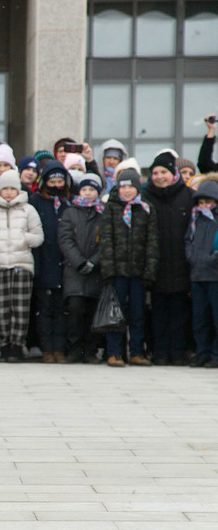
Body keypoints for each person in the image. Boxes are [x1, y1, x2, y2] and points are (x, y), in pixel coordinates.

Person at [0, 169, 44, 363]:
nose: (9, 193)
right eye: (5, 189)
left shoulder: (28, 209)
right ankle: (3, 344)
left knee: (20, 307)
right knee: (0, 308)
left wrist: (23, 239)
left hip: (22, 263)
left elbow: (38, 236)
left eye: (12, 189)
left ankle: (17, 345)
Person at [100, 168, 158, 367]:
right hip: (117, 271)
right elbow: (106, 240)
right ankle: (114, 352)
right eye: (123, 186)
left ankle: (136, 351)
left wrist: (149, 271)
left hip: (138, 272)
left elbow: (152, 242)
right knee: (115, 313)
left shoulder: (146, 208)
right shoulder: (111, 207)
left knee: (138, 313)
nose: (127, 191)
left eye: (131, 186)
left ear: (137, 188)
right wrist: (107, 269)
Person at [143, 152, 194, 365]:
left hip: (181, 264)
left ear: (173, 174)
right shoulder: (146, 197)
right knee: (159, 313)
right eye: (155, 173)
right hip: (156, 265)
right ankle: (160, 352)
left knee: (179, 313)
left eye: (163, 172)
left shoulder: (188, 195)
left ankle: (178, 353)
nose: (159, 176)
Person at [58, 173, 105, 364]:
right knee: (75, 310)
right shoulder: (70, 212)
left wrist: (94, 261)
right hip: (74, 271)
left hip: (96, 271)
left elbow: (107, 241)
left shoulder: (103, 212)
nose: (87, 193)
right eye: (84, 189)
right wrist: (79, 261)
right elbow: (65, 239)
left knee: (93, 311)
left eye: (92, 190)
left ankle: (91, 350)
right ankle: (74, 348)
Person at [29, 160, 70, 363]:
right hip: (44, 263)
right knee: (43, 310)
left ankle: (60, 348)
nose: (56, 184)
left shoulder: (69, 203)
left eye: (59, 180)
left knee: (61, 311)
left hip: (65, 265)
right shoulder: (36, 201)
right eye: (52, 180)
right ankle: (46, 348)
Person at [185, 180, 218, 368]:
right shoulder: (194, 219)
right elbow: (188, 241)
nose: (205, 206)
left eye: (209, 201)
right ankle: (202, 352)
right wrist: (192, 257)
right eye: (202, 202)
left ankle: (215, 354)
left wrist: (211, 259)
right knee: (199, 319)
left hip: (215, 275)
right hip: (197, 275)